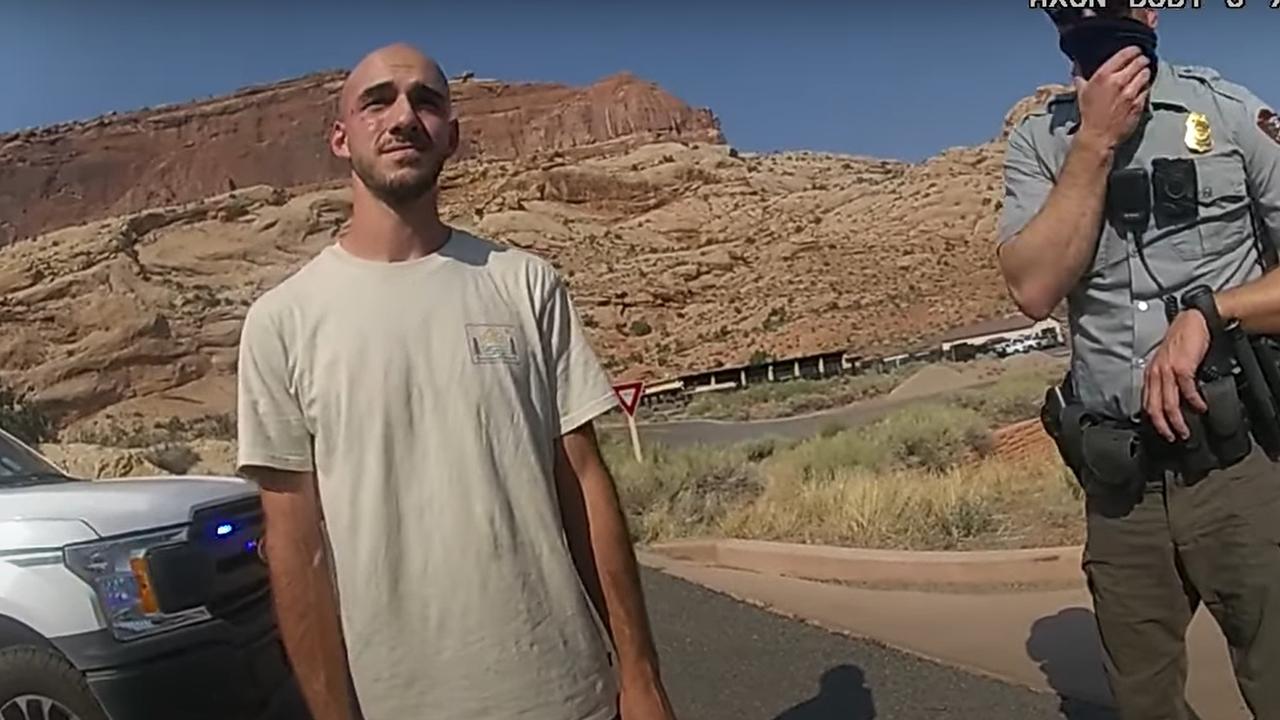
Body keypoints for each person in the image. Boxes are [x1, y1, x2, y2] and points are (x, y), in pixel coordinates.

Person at [235, 42, 677, 720]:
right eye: (377, 101)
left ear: (453, 134)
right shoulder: (282, 322)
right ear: (340, 137)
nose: (405, 116)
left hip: (569, 697)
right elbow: (296, 547)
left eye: (427, 101)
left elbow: (584, 482)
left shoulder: (524, 284)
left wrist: (641, 678)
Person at [997, 8, 1280, 720]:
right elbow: (1033, 287)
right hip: (1122, 481)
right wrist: (1093, 143)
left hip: (1237, 467)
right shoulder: (1041, 144)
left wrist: (1211, 313)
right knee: (1142, 700)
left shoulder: (1234, 114)